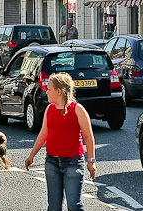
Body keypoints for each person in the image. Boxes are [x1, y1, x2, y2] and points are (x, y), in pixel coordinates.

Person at [25, 73, 97, 211]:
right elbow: (43, 134)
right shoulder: (49, 109)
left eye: (49, 89)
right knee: (54, 207)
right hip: (52, 162)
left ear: (59, 92)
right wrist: (32, 155)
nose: (46, 91)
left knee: (74, 205)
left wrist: (91, 161)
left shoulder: (77, 109)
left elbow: (88, 136)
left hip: (73, 163)